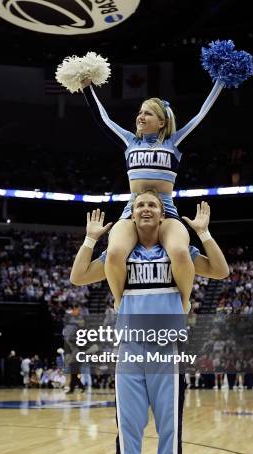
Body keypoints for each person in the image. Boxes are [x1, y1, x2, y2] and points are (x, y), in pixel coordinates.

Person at [70, 191, 229, 454]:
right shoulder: (121, 255)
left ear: (162, 216)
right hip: (128, 350)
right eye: (140, 204)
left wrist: (203, 232)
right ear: (133, 213)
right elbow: (78, 276)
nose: (145, 209)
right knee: (128, 432)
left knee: (168, 431)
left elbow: (220, 270)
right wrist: (90, 239)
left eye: (152, 205)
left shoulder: (179, 253)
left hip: (164, 351)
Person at [81, 75, 223, 312]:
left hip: (166, 211)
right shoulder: (129, 142)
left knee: (179, 251)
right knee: (115, 252)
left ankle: (184, 302)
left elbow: (201, 116)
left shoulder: (174, 143)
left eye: (147, 113)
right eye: (140, 112)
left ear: (161, 122)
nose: (140, 116)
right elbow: (102, 119)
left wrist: (220, 82)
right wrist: (87, 87)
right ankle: (119, 300)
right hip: (133, 210)